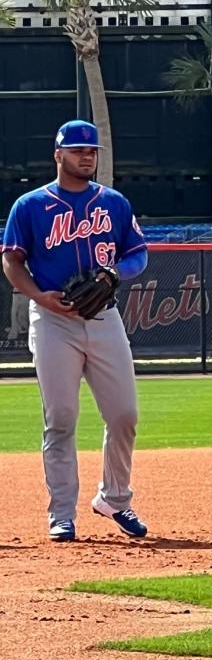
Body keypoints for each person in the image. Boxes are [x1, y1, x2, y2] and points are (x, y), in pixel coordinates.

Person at [1, 120, 149, 542]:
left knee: (124, 415)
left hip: (104, 319)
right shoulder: (30, 205)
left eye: (92, 150)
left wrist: (114, 274)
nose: (87, 156)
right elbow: (12, 260)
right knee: (61, 418)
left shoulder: (114, 204)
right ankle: (61, 513)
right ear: (58, 155)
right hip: (53, 322)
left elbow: (138, 255)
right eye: (78, 149)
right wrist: (39, 297)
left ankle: (115, 499)